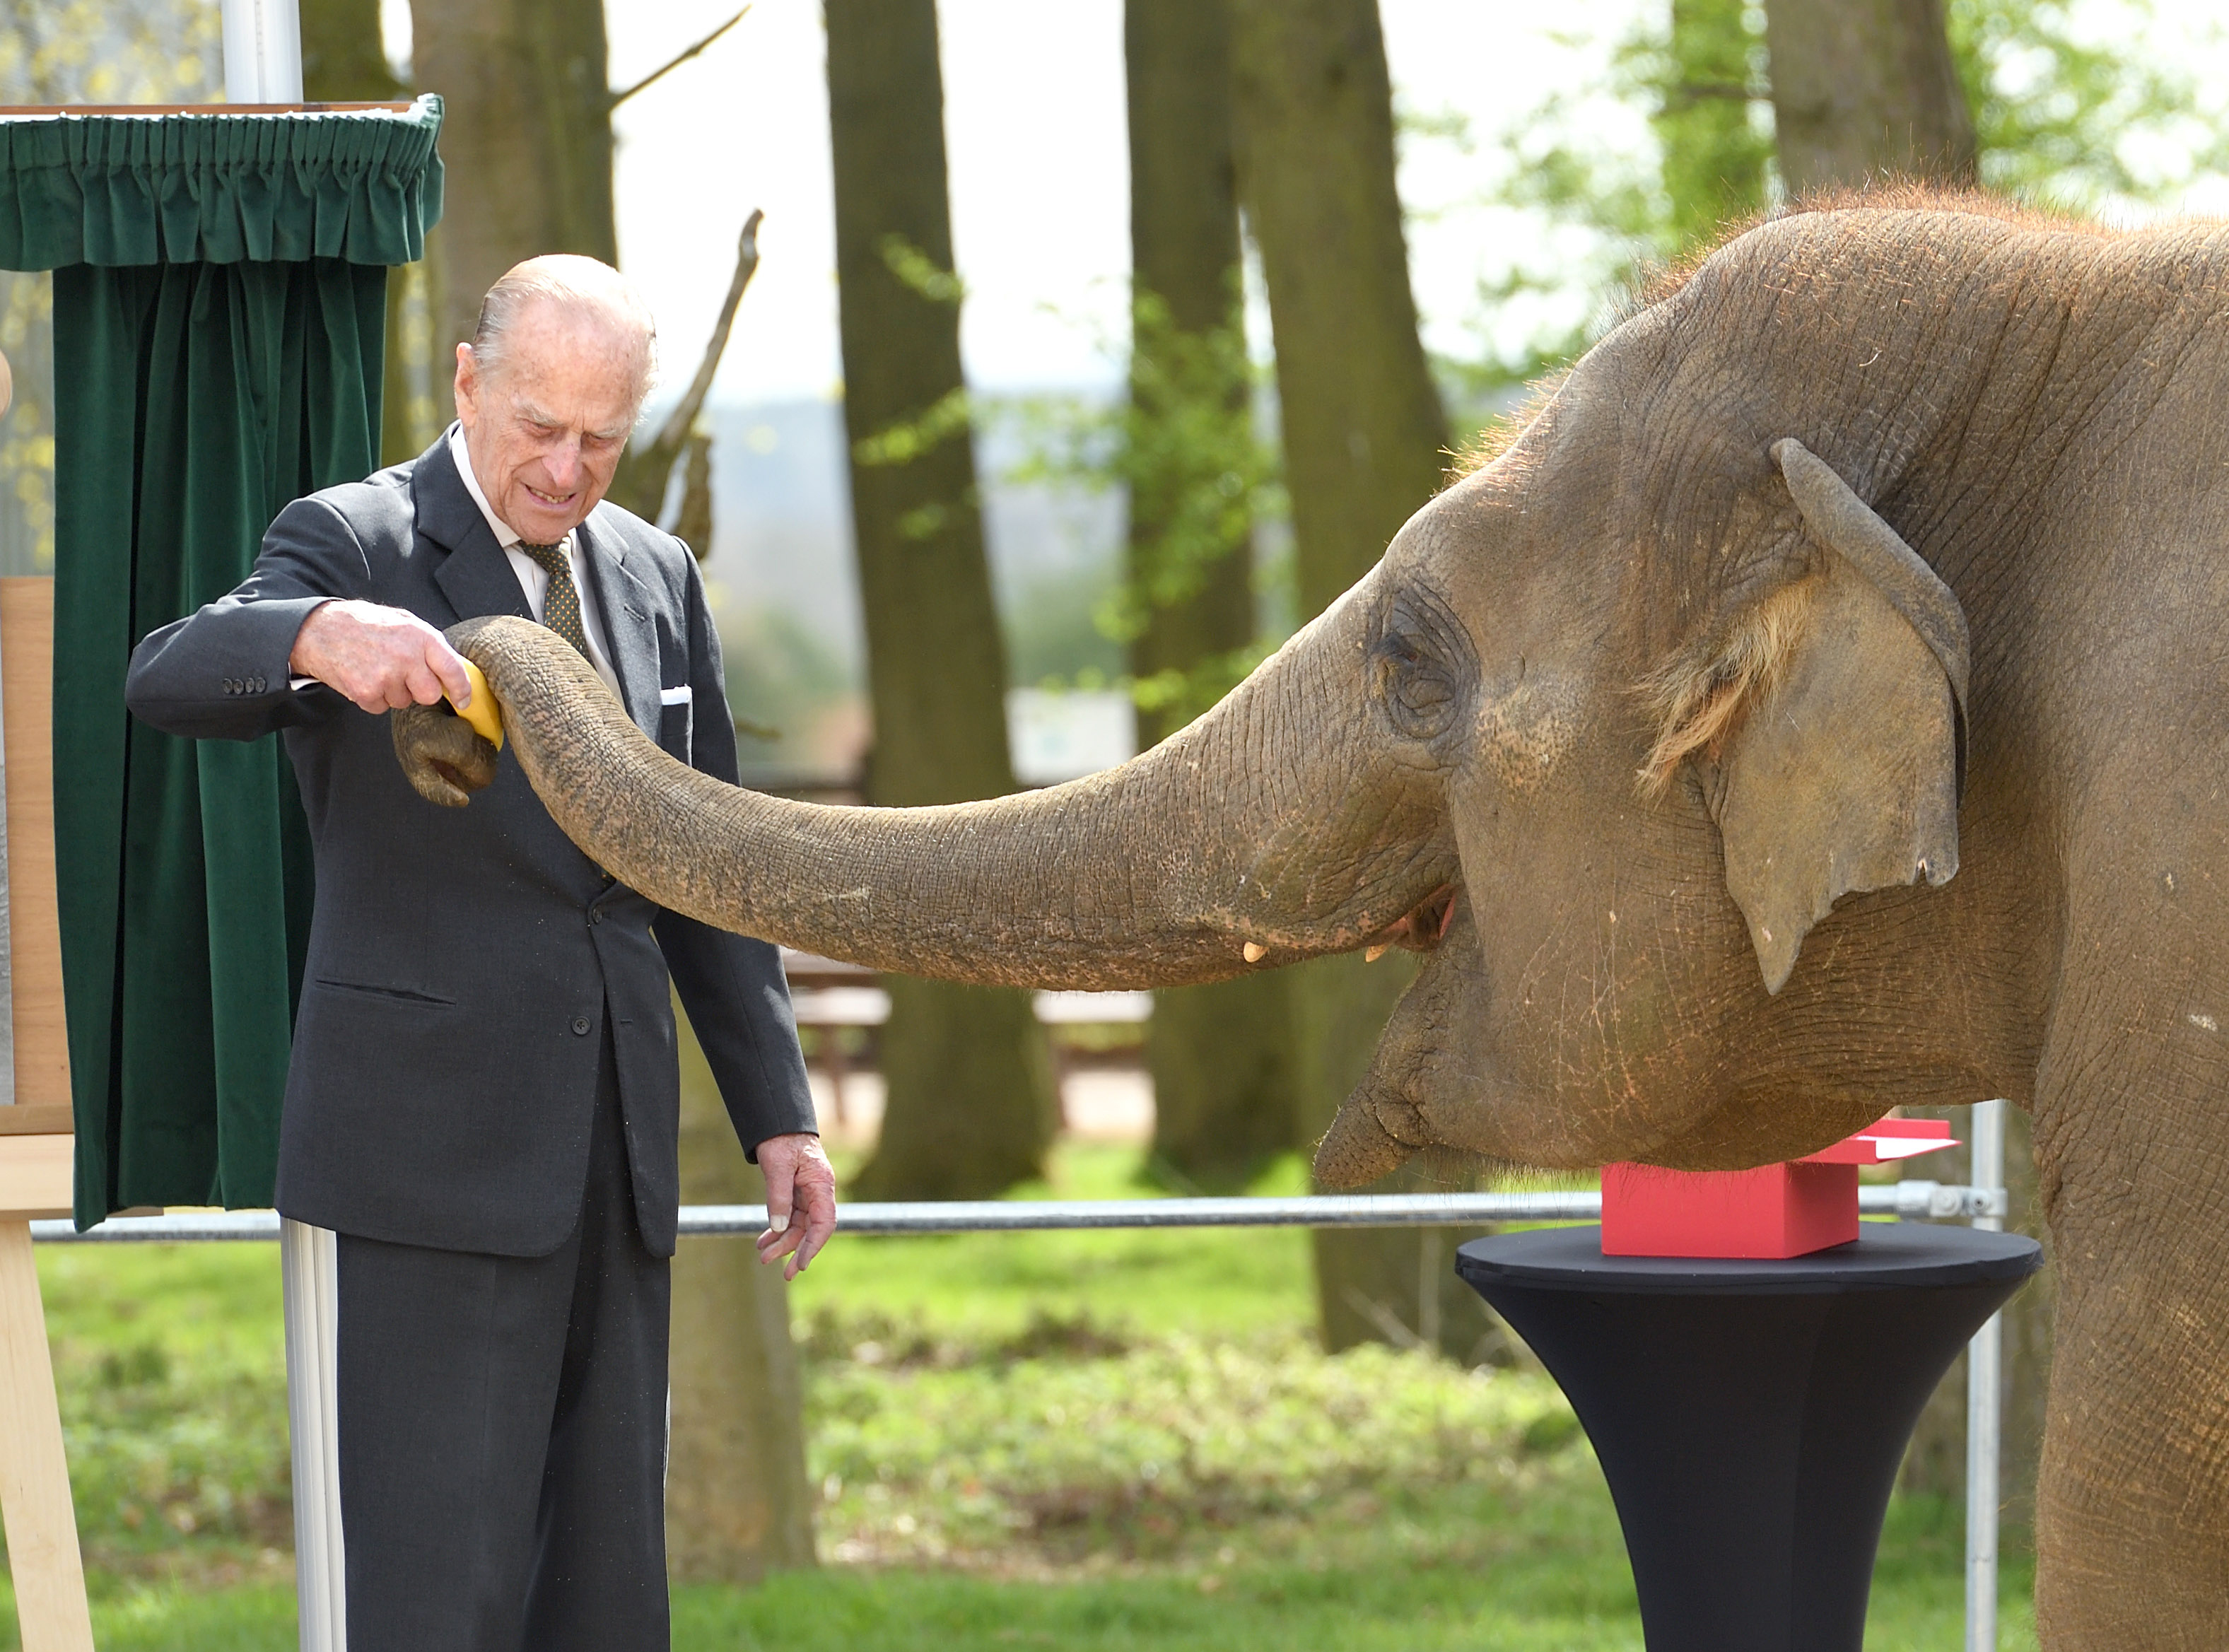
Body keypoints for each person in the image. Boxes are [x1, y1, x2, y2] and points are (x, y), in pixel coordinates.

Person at [124, 255, 837, 1651]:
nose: (570, 469)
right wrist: (319, 637)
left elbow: (709, 860)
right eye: (540, 427)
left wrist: (780, 1111)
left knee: (609, 1595)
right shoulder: (352, 536)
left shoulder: (654, 573)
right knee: (437, 1599)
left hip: (616, 1157)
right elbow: (167, 673)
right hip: (428, 1158)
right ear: (466, 380)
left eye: (602, 436)